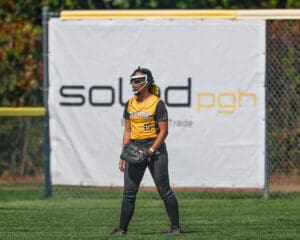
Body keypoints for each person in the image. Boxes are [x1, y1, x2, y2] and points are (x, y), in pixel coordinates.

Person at [111, 67, 181, 235]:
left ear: (147, 82)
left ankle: (176, 227)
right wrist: (124, 154)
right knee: (128, 193)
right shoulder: (130, 103)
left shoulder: (157, 103)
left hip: (155, 150)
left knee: (164, 190)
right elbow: (127, 131)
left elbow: (164, 132)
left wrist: (151, 150)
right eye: (132, 80)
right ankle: (121, 229)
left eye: (137, 80)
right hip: (135, 149)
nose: (133, 83)